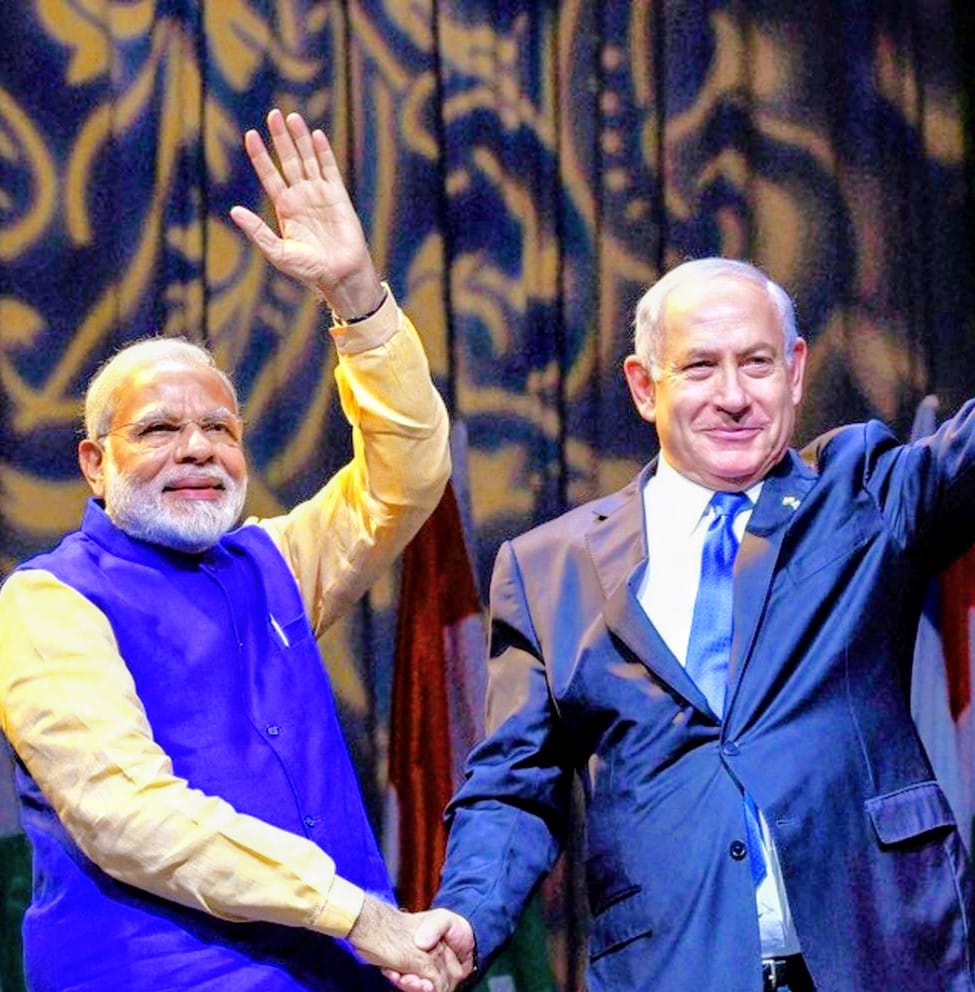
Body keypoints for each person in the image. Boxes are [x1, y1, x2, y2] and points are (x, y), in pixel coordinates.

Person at [391, 257, 975, 991]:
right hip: (673, 966)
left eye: (756, 363)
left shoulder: (861, 492)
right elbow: (513, 786)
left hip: (880, 949)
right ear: (644, 386)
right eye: (700, 367)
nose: (732, 396)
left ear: (795, 371)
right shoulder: (548, 568)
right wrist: (469, 911)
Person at [0, 109, 455, 992]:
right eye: (158, 429)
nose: (199, 449)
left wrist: (356, 297)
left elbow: (408, 476)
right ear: (94, 464)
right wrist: (355, 913)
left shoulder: (271, 561)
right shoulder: (48, 601)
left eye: (220, 427)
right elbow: (127, 814)